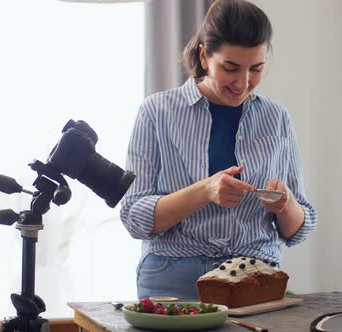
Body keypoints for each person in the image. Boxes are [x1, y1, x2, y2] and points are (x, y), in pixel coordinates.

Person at [120, 0, 318, 301]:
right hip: (173, 278)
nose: (244, 82)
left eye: (257, 68)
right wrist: (205, 191)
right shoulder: (156, 112)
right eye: (231, 68)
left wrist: (286, 205)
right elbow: (134, 217)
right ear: (204, 55)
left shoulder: (277, 119)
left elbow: (298, 229)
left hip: (255, 279)